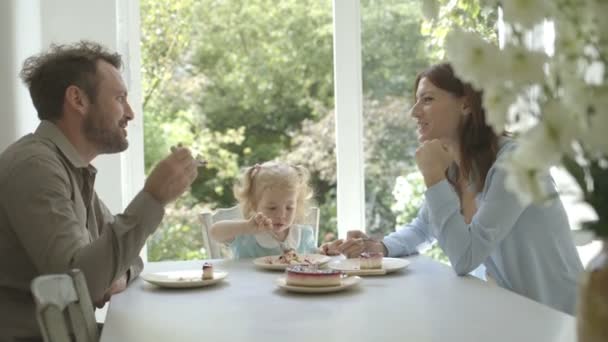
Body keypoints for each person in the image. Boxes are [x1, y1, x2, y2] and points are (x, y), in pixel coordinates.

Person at [325, 63, 583, 315]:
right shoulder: (455, 165)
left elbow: (466, 258)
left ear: (466, 104)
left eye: (427, 100)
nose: (414, 112)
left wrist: (433, 178)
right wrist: (378, 247)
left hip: (562, 320)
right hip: (512, 311)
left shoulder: (516, 164)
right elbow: (423, 227)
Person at [0, 41, 199, 340]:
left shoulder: (68, 166)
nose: (130, 113)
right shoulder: (36, 167)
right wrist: (153, 198)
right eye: (120, 98)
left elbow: (128, 259)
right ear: (77, 100)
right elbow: (83, 283)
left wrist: (112, 274)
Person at [210, 161, 318, 259]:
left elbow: (315, 258)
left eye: (289, 208)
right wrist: (246, 227)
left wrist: (326, 251)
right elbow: (214, 232)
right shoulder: (246, 234)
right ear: (254, 204)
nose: (281, 215)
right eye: (272, 208)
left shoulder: (303, 235)